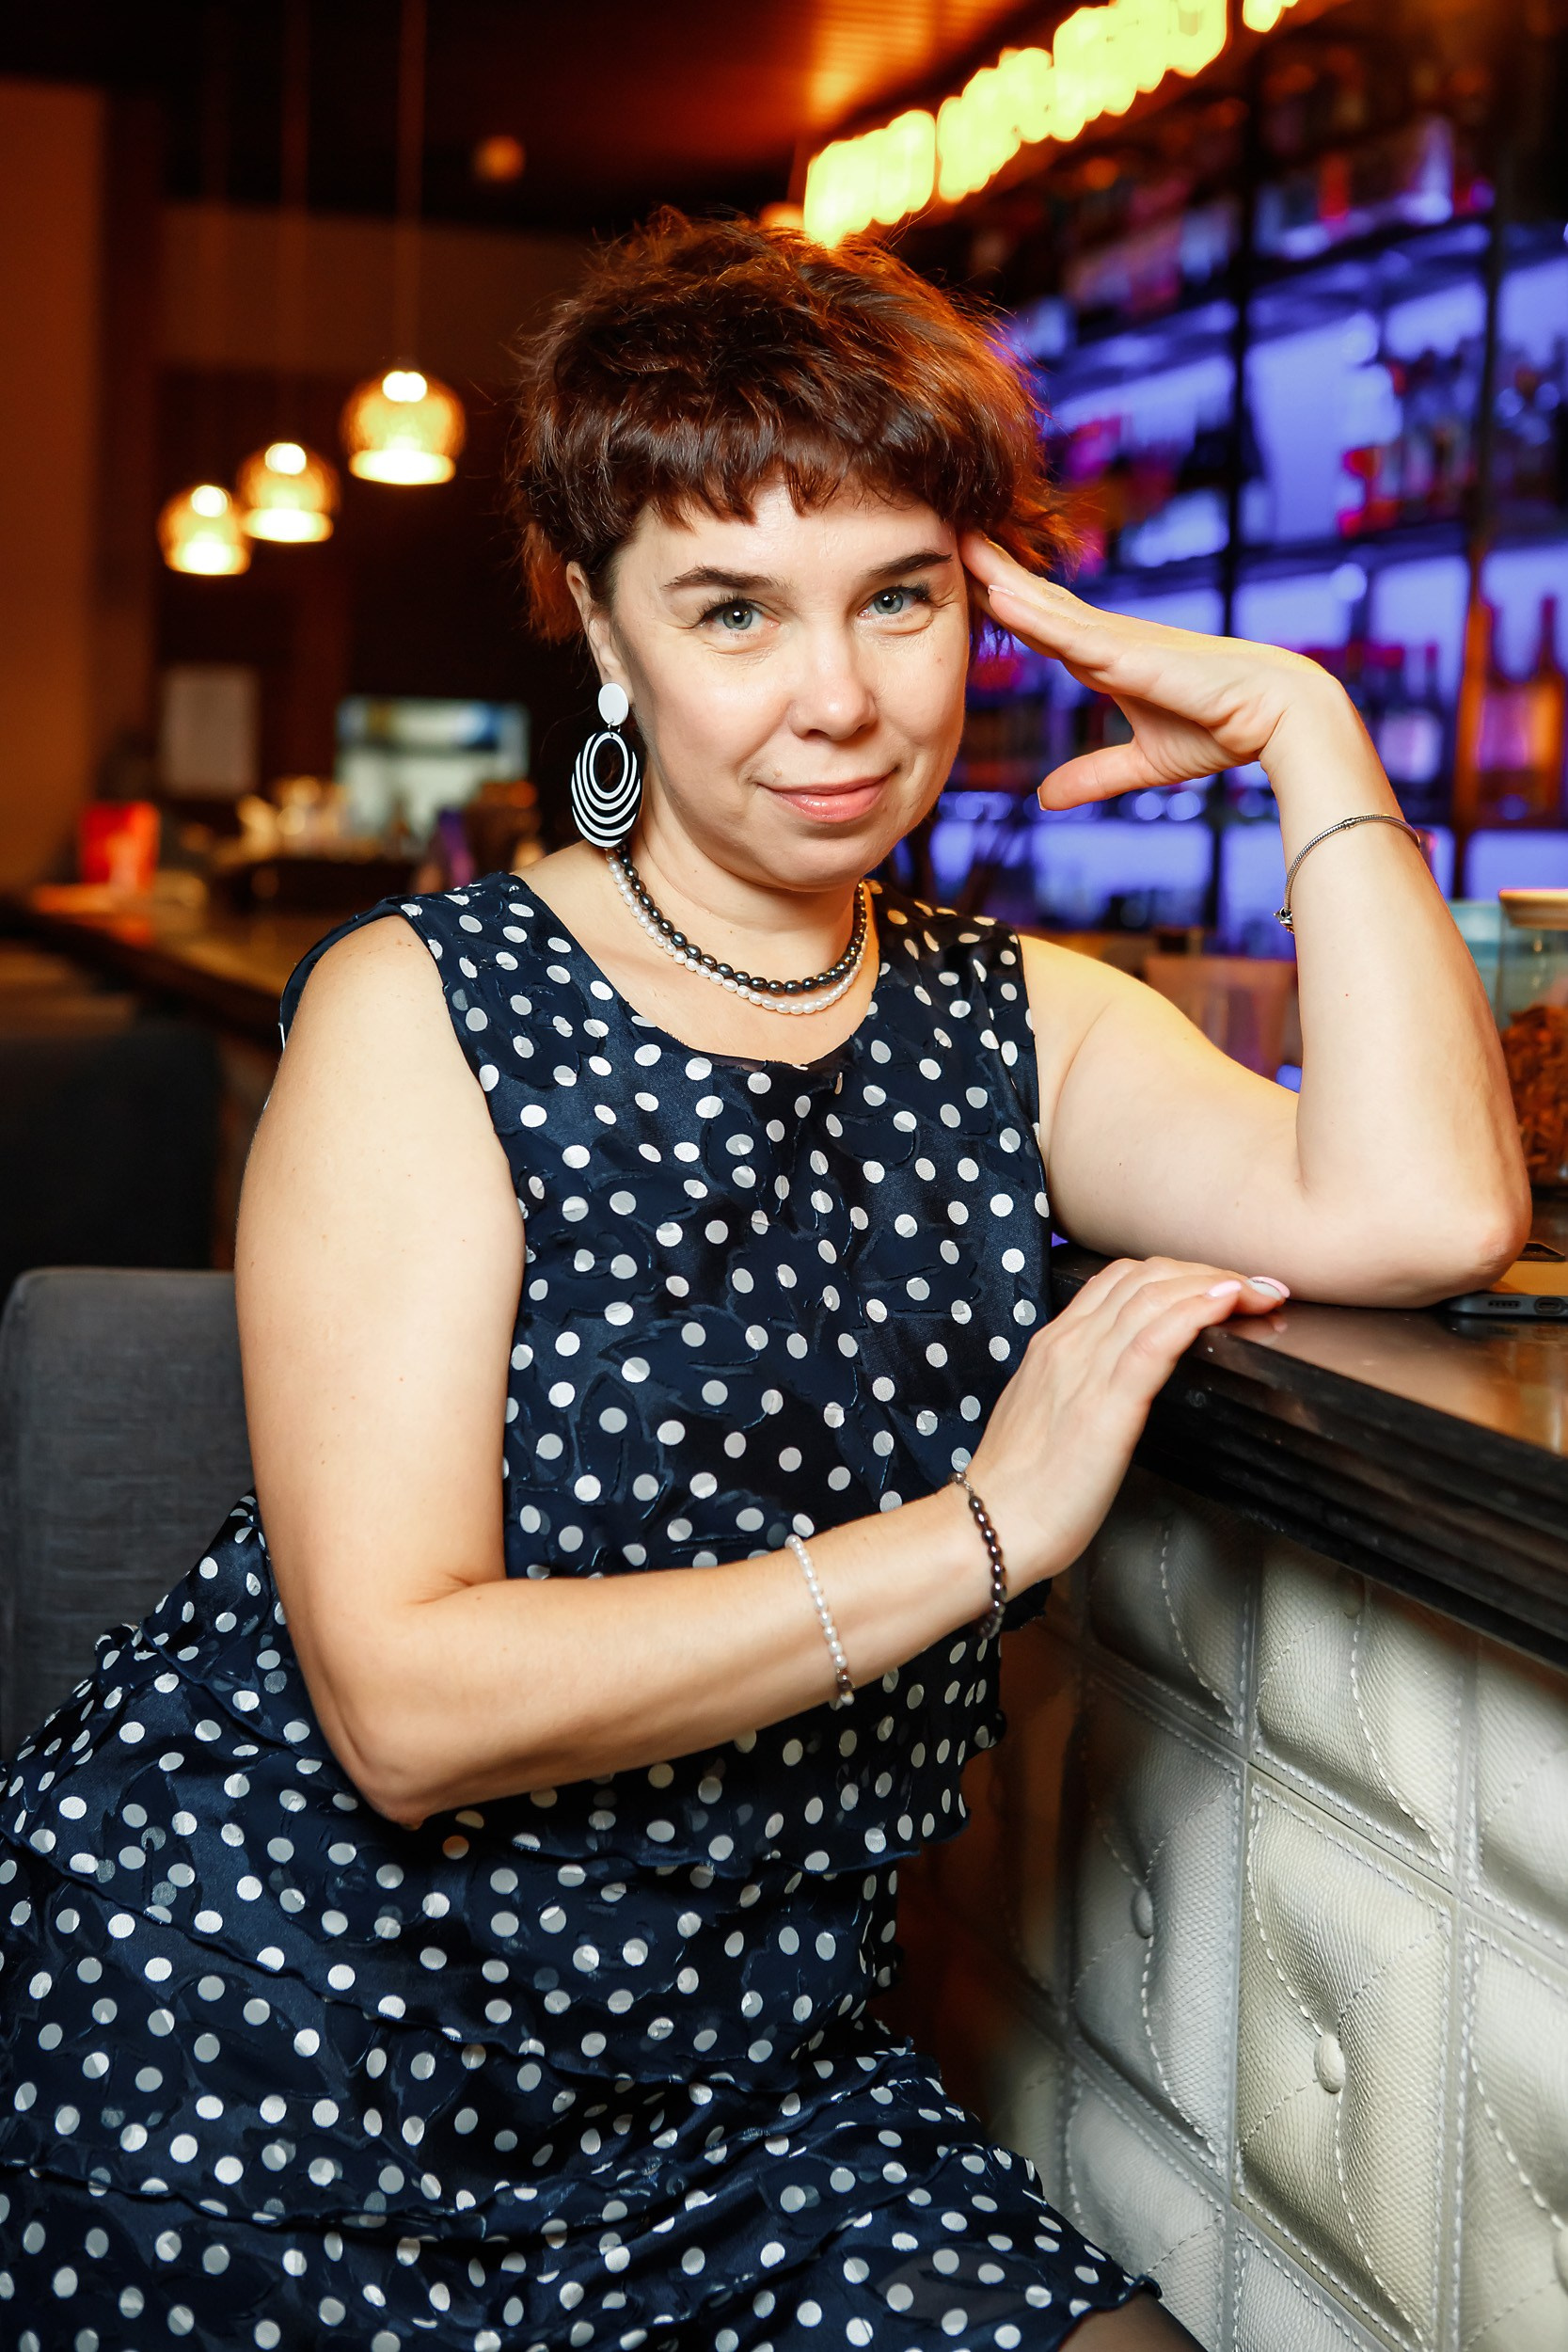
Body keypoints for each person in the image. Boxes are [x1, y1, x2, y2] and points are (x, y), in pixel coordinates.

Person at [0, 215, 1525, 2352]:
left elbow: (1429, 1209)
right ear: (600, 625)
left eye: (901, 597)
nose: (840, 700)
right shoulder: (423, 1006)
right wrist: (980, 1533)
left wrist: (1309, 732)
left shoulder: (1021, 1021)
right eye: (735, 609)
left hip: (751, 2105)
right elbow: (404, 1710)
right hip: (270, 2046)